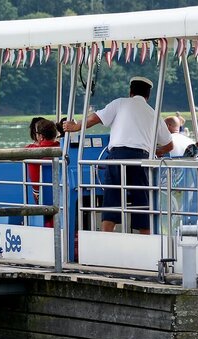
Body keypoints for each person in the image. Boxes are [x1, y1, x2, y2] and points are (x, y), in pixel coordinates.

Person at [62, 76, 173, 233]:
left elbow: (95, 118)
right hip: (141, 159)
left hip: (117, 157)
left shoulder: (120, 103)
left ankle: (106, 237)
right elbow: (169, 145)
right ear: (148, 95)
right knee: (142, 201)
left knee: (112, 199)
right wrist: (156, 151)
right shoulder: (153, 114)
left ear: (130, 91)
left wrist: (75, 127)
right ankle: (145, 240)